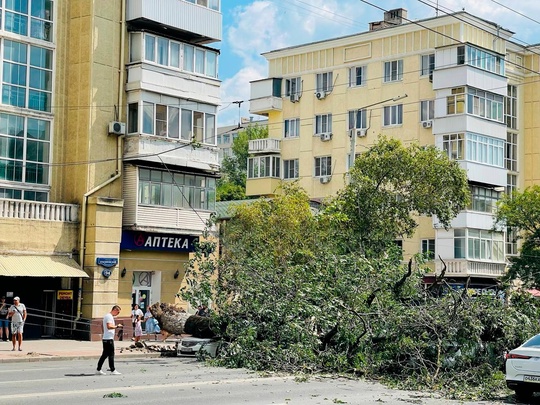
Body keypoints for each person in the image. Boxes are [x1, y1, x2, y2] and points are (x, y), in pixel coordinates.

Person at [96, 305, 123, 375]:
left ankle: (98, 369)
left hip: (106, 337)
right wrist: (117, 326)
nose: (118, 314)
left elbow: (102, 326)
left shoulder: (108, 316)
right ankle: (113, 370)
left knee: (104, 355)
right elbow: (109, 326)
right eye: (118, 312)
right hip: (108, 339)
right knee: (111, 354)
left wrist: (104, 333)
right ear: (115, 310)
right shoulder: (109, 316)